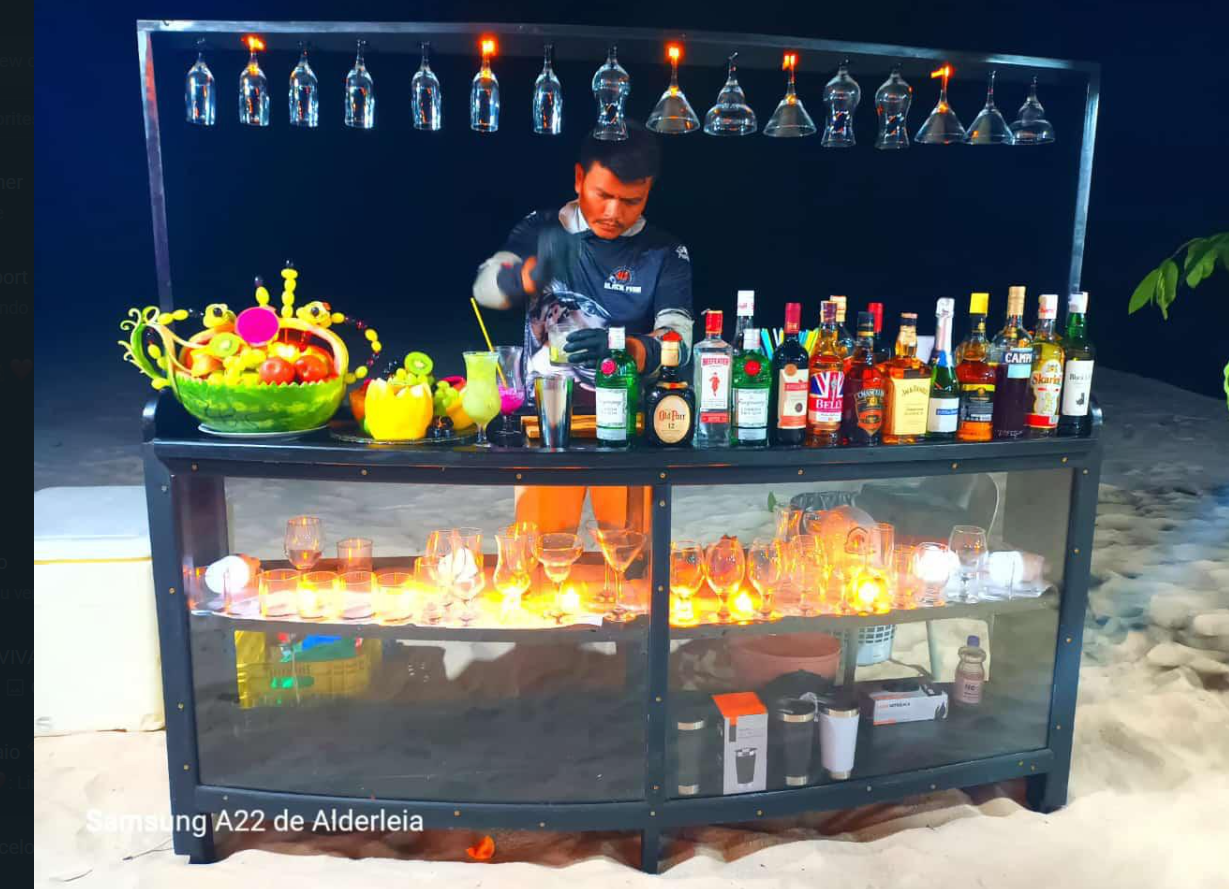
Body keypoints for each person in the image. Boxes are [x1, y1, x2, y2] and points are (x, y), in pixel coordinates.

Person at [473, 121, 693, 533]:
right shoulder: (542, 228)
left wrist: (629, 349)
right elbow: (485, 290)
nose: (614, 213)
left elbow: (679, 340)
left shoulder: (664, 250)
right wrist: (529, 274)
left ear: (649, 191)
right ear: (579, 178)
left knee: (632, 557)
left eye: (632, 200)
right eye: (603, 195)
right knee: (542, 555)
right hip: (548, 425)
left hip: (629, 427)